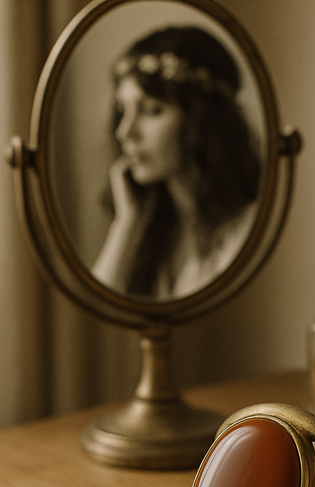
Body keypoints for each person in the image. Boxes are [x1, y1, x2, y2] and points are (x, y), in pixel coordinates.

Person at [92, 26, 261, 299]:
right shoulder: (154, 232)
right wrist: (127, 224)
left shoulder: (248, 231)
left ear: (200, 121)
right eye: (123, 110)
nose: (125, 132)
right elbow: (96, 318)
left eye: (151, 111)